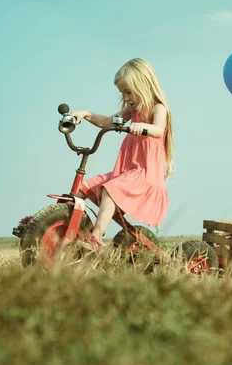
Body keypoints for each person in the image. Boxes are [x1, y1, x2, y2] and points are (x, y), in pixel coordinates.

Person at [70, 58, 174, 250]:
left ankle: (95, 238)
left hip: (144, 175)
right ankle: (58, 223)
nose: (125, 97)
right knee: (84, 188)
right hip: (125, 173)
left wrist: (144, 126)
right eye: (122, 93)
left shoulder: (158, 108)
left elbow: (159, 129)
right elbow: (107, 122)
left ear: (143, 85)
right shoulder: (132, 110)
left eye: (128, 91)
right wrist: (85, 114)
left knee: (111, 189)